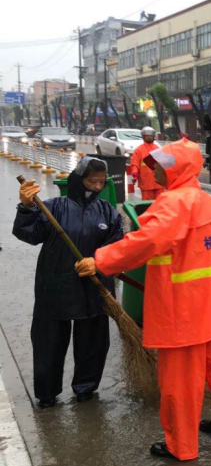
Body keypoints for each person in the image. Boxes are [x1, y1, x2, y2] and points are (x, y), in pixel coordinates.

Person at [75, 139, 211, 461]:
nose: (154, 171)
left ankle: (181, 447)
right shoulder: (209, 203)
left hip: (185, 314)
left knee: (180, 382)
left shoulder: (173, 204)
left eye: (160, 166)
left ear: (176, 170)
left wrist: (100, 261)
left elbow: (143, 242)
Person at [13, 157, 123, 408]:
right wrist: (27, 207)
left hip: (93, 286)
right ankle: (47, 392)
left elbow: (117, 245)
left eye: (101, 182)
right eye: (91, 181)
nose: (97, 186)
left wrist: (97, 260)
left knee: (92, 342)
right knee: (49, 342)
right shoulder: (54, 207)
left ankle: (85, 387)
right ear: (78, 179)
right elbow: (28, 234)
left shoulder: (108, 212)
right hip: (55, 286)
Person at [129, 127, 163, 200]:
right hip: (146, 182)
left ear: (154, 137)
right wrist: (135, 175)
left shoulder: (158, 149)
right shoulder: (139, 150)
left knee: (160, 203)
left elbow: (163, 164)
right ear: (143, 137)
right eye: (146, 136)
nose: (148, 137)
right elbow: (135, 164)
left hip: (158, 183)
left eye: (150, 136)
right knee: (147, 205)